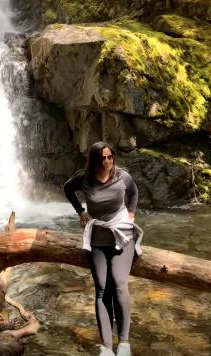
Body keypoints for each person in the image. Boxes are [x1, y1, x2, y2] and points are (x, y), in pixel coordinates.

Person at [64, 141, 141, 356]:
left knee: (118, 283)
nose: (107, 161)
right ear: (94, 160)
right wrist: (80, 211)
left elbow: (133, 193)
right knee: (101, 290)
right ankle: (106, 347)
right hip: (97, 236)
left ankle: (124, 343)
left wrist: (131, 214)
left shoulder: (122, 176)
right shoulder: (85, 179)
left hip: (122, 235)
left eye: (110, 157)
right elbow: (67, 189)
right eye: (102, 158)